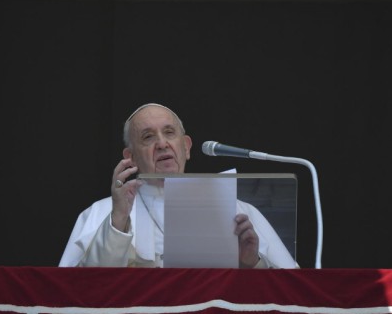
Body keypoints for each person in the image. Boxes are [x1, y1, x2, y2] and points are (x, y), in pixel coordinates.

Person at [59, 103, 298, 269]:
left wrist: (251, 263)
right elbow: (80, 292)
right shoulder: (101, 213)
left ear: (186, 147)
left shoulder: (239, 212)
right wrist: (118, 222)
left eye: (169, 133)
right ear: (130, 157)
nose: (162, 144)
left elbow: (292, 291)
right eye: (148, 137)